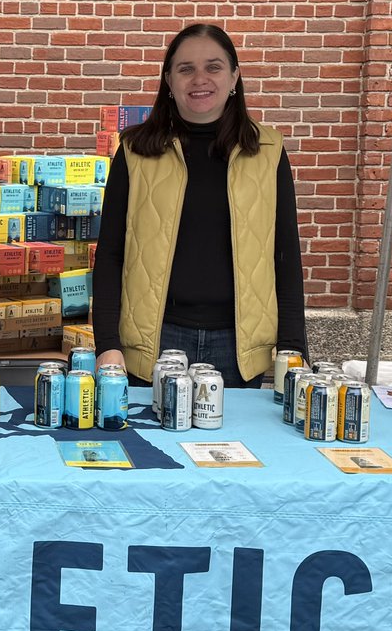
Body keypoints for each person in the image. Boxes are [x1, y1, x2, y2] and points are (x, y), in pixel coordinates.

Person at [91, 23, 308, 388]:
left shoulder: (268, 150)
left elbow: (284, 254)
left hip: (238, 347)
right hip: (156, 343)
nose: (199, 79)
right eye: (185, 68)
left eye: (214, 66)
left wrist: (293, 348)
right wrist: (107, 345)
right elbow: (112, 253)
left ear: (235, 76)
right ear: (169, 81)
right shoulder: (135, 150)